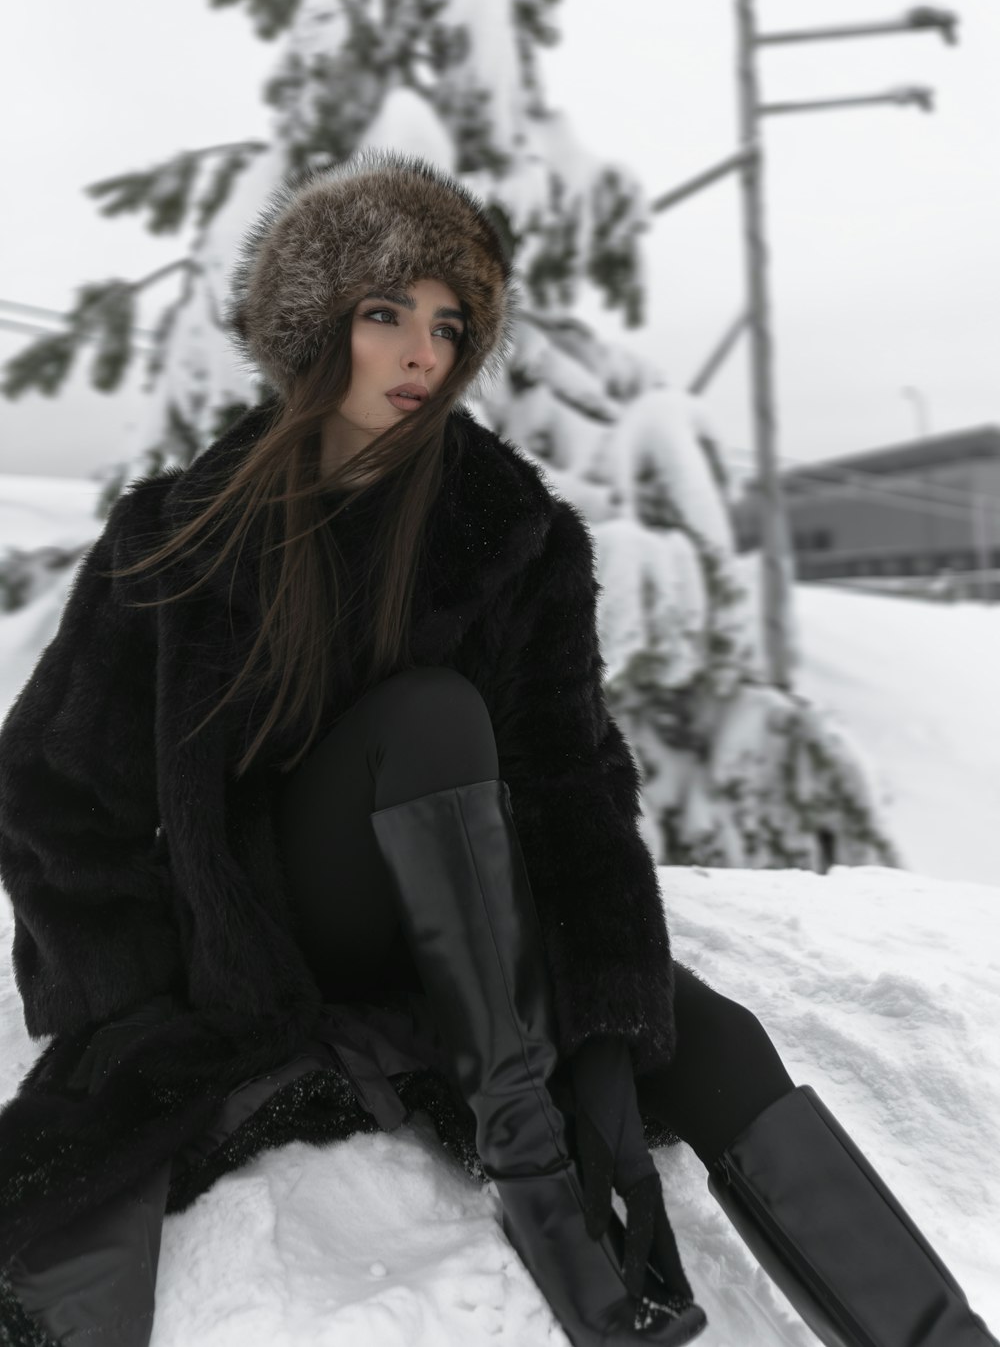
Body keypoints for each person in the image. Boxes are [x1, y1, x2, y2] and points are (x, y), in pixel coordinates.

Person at [0, 148, 993, 1347]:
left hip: (470, 929)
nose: (424, 352)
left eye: (449, 323)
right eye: (385, 314)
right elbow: (55, 785)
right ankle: (533, 1174)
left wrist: (613, 999)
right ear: (317, 328)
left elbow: (571, 782)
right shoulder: (177, 534)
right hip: (278, 925)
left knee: (716, 1043)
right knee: (425, 719)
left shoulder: (511, 531)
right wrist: (135, 992)